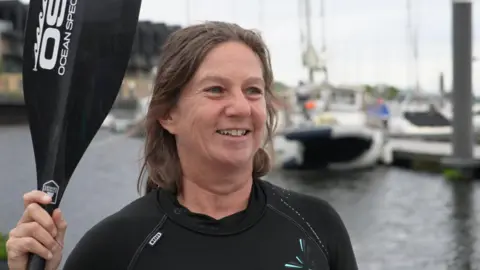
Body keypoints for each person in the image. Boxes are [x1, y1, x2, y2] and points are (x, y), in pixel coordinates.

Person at [6, 21, 358, 270]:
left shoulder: (316, 224)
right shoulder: (114, 248)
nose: (240, 107)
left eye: (253, 90)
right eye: (216, 89)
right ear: (167, 115)